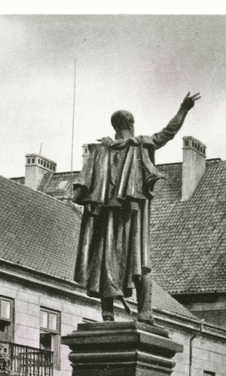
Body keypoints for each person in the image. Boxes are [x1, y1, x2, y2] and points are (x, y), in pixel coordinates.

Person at [72, 93, 200, 322]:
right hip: (131, 216)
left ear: (114, 127)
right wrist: (183, 109)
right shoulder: (139, 145)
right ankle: (144, 312)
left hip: (106, 218)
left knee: (106, 257)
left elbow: (82, 190)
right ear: (131, 125)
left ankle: (107, 312)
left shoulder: (100, 151)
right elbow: (166, 134)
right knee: (140, 260)